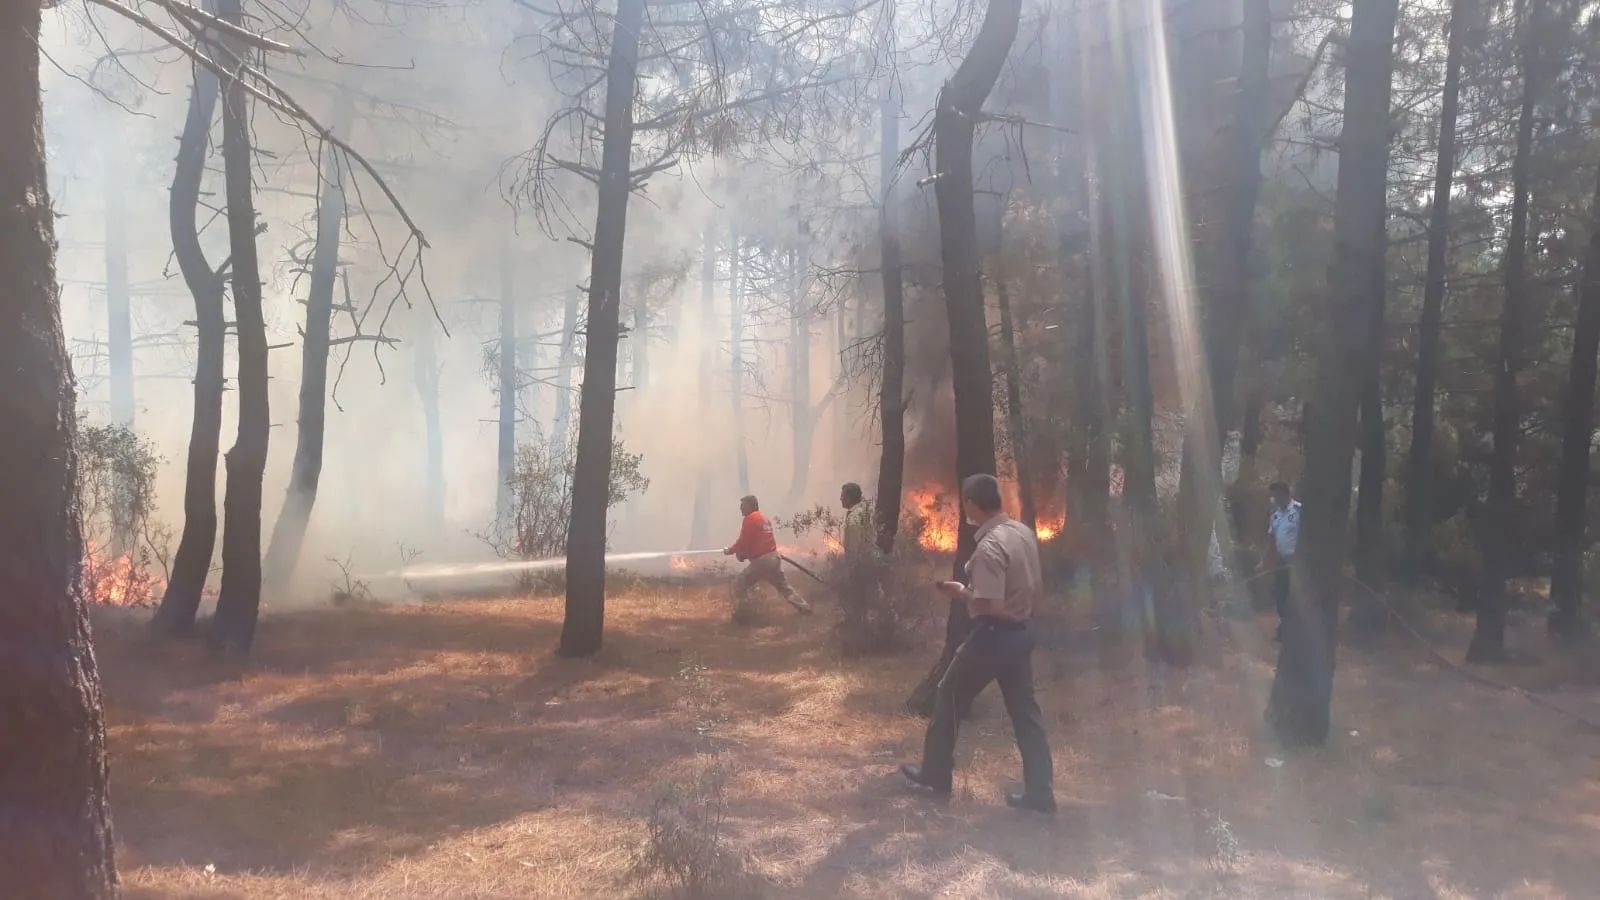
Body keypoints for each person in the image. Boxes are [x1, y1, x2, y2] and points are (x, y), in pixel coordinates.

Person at [900, 473, 1056, 814]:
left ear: (971, 504)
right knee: (1026, 713)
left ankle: (935, 776)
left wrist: (961, 593)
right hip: (1023, 632)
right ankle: (1041, 792)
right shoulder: (1022, 532)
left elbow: (987, 604)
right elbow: (1037, 588)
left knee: (949, 695)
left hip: (994, 635)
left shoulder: (989, 546)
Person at [724, 494, 811, 617]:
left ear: (750, 506)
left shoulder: (750, 519)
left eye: (743, 505)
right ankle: (805, 608)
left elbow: (743, 541)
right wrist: (743, 554)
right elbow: (756, 541)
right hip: (774, 557)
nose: (741, 508)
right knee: (784, 587)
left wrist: (730, 550)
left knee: (740, 583)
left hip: (763, 561)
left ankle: (745, 614)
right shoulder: (764, 518)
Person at [1266, 481, 1301, 642]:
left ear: (1284, 494)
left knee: (1292, 596)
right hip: (1281, 560)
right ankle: (1285, 625)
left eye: (1275, 495)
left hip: (1295, 561)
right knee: (1280, 595)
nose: (1273, 499)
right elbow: (1272, 539)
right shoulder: (1275, 515)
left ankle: (1293, 630)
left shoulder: (1299, 510)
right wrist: (1265, 559)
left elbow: (1306, 536)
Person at [840, 482, 874, 555]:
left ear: (849, 498)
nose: (840, 499)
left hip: (858, 563)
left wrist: (850, 564)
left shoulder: (854, 518)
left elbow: (854, 549)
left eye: (842, 496)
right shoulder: (863, 510)